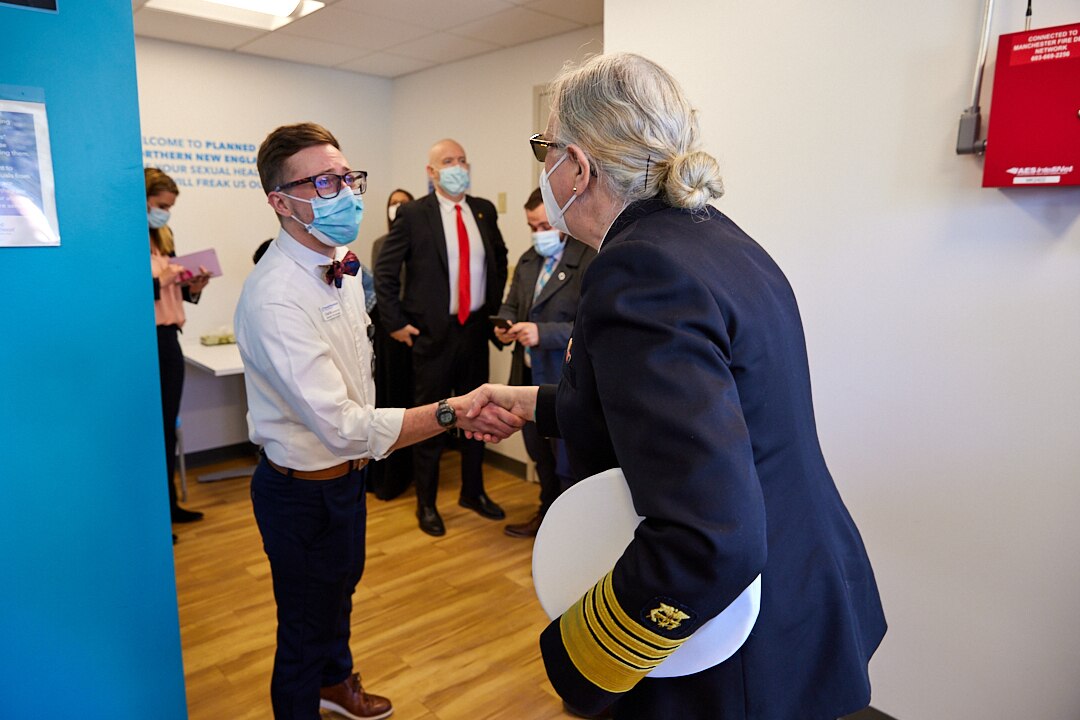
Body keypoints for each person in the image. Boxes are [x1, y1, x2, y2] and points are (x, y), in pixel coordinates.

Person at [465, 53, 886, 720]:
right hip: (802, 588)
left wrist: (585, 658)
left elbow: (708, 535)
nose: (544, 170)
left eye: (546, 150)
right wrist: (537, 404)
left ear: (577, 164)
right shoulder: (714, 240)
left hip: (735, 644)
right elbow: (691, 419)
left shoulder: (640, 272)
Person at [234, 123, 521, 720]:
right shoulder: (274, 297)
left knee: (340, 595)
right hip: (301, 491)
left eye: (346, 177)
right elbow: (340, 423)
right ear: (280, 201)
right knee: (303, 623)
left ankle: (336, 684)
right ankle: (302, 701)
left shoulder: (338, 262)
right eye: (322, 182)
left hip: (347, 480)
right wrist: (450, 411)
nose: (344, 192)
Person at [374, 139, 509, 537]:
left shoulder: (482, 210)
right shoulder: (415, 214)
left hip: (473, 330)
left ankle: (473, 491)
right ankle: (427, 503)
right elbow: (385, 270)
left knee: (478, 414)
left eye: (463, 160)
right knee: (434, 418)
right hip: (432, 334)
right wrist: (395, 321)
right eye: (448, 161)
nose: (458, 166)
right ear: (431, 172)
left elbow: (498, 261)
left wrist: (495, 313)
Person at [495, 188, 594, 538]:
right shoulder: (527, 261)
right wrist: (503, 327)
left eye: (543, 225)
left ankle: (570, 535)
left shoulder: (588, 259)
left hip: (561, 379)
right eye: (531, 226)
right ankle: (546, 518)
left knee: (567, 461)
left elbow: (589, 326)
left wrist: (541, 333)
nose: (538, 234)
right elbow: (510, 306)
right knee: (540, 455)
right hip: (525, 377)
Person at [145, 167, 210, 529]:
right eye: (159, 205)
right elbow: (128, 291)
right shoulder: (125, 238)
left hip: (169, 338)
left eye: (169, 206)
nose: (165, 212)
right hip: (146, 340)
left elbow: (177, 291)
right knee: (151, 428)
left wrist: (193, 283)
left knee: (167, 426)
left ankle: (169, 507)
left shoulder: (163, 236)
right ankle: (155, 517)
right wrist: (162, 277)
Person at [367, 189, 416, 500]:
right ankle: (384, 472)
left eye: (403, 204)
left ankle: (407, 472)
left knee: (412, 401)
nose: (396, 209)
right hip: (387, 332)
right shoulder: (379, 244)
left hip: (416, 330)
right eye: (392, 204)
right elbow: (382, 289)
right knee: (387, 400)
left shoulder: (423, 245)